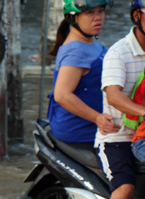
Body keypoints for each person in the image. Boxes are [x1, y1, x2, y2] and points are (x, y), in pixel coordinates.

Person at [95, 0, 145, 199]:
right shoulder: (119, 53)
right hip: (118, 137)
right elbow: (114, 96)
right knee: (124, 188)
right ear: (137, 16)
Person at [47, 0, 117, 145]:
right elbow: (62, 95)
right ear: (73, 17)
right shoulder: (76, 52)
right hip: (81, 131)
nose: (98, 17)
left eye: (101, 11)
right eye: (90, 12)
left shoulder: (90, 44)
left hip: (95, 125)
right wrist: (97, 118)